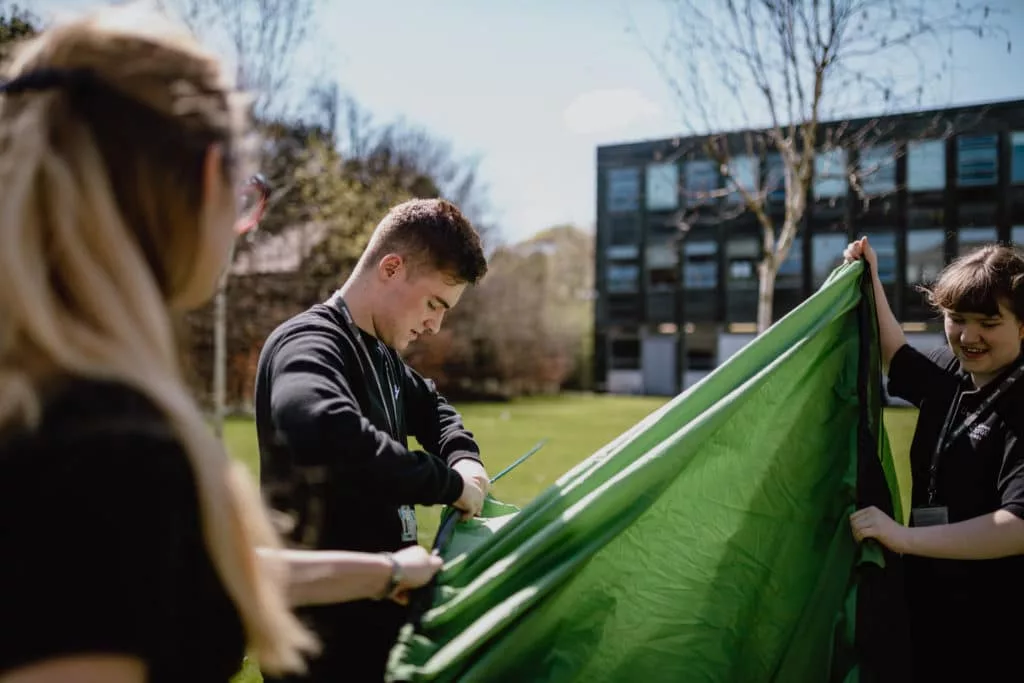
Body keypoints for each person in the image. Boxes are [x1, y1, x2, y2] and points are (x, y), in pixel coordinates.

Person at [0, 5, 443, 683]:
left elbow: (195, 563)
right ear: (211, 180)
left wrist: (385, 573)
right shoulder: (107, 447)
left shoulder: (51, 402)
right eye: (246, 193)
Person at [255, 197, 492, 682]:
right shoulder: (310, 342)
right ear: (391, 267)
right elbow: (321, 429)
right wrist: (447, 485)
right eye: (433, 304)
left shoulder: (385, 357)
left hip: (383, 609)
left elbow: (435, 409)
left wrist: (465, 460)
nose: (434, 325)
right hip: (319, 635)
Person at [845, 238, 1024, 680]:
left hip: (997, 627)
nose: (968, 336)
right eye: (956, 319)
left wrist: (902, 539)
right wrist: (870, 281)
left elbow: (1018, 527)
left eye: (988, 322)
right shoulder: (952, 370)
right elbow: (897, 359)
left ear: (1023, 325)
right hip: (926, 605)